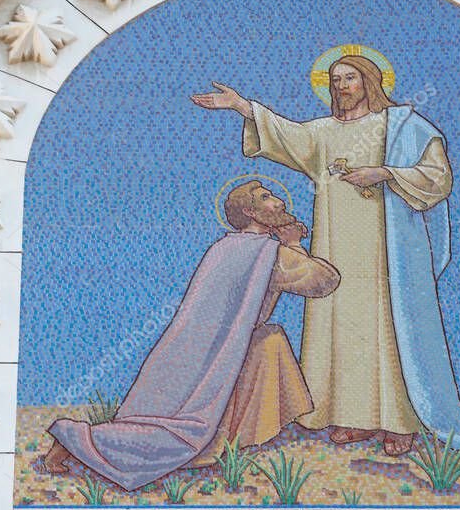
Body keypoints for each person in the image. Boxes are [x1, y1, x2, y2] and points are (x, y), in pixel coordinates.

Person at [192, 54, 460, 457]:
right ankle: (351, 416)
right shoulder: (323, 133)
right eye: (335, 79)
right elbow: (285, 133)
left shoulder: (400, 126)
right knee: (342, 328)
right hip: (337, 250)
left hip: (388, 254)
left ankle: (401, 423)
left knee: (389, 329)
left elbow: (438, 176)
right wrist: (242, 105)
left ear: (369, 82)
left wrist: (386, 173)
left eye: (350, 78)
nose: (342, 86)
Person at [43, 180, 340, 491]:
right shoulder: (268, 253)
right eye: (267, 198)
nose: (279, 201)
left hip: (195, 350)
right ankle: (74, 438)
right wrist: (293, 243)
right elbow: (323, 281)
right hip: (220, 353)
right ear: (252, 212)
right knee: (178, 432)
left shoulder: (225, 247)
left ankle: (244, 435)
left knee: (270, 340)